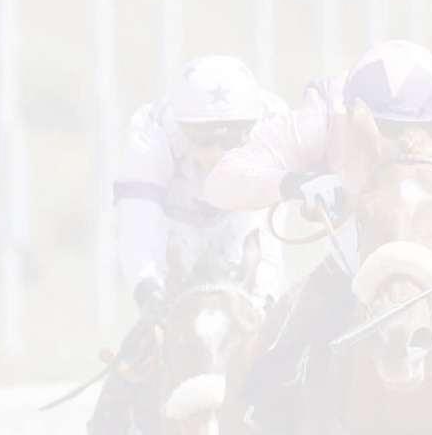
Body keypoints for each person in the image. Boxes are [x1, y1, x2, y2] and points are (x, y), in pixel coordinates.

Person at [204, 40, 432, 432]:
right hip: (352, 264)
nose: (401, 141)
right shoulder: (325, 114)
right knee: (272, 353)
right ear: (357, 114)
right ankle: (260, 411)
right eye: (387, 128)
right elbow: (221, 180)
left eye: (416, 129)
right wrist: (292, 183)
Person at [88, 55, 288, 434]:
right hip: (174, 226)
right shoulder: (151, 134)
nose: (218, 153)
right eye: (204, 140)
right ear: (182, 130)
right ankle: (106, 422)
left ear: (250, 130)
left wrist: (265, 297)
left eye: (231, 139)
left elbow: (265, 231)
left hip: (242, 218)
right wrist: (148, 290)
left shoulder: (272, 128)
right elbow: (138, 223)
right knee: (142, 344)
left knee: (271, 328)